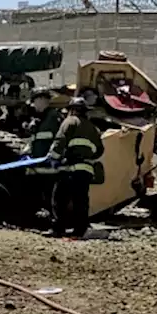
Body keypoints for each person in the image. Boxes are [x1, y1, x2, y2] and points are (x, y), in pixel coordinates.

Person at [48, 96, 104, 238]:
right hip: (85, 170)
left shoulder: (70, 121)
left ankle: (58, 229)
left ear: (72, 110)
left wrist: (53, 157)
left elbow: (60, 140)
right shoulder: (93, 129)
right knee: (81, 201)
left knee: (59, 198)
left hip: (69, 168)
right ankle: (80, 231)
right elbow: (100, 151)